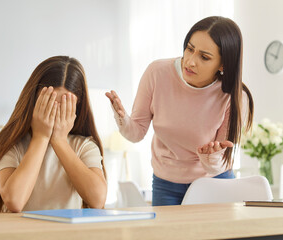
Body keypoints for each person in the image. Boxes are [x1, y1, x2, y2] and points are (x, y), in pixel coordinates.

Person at [106, 16, 254, 206]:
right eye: (190, 49)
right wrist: (122, 119)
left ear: (223, 64)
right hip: (166, 182)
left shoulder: (235, 97)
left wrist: (210, 156)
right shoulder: (157, 73)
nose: (190, 62)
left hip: (214, 182)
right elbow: (135, 133)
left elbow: (218, 164)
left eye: (204, 57)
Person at [0, 56, 107, 212]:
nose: (55, 113)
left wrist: (60, 141)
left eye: (65, 106)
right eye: (50, 103)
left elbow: (98, 199)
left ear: (77, 108)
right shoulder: (12, 145)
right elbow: (15, 201)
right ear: (34, 102)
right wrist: (41, 137)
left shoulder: (84, 146)